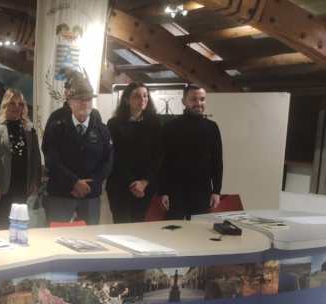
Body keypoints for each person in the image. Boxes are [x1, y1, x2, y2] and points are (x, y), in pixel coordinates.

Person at [41, 72, 113, 225]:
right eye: (79, 99)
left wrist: (89, 185)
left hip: (90, 195)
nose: (84, 103)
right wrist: (74, 182)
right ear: (70, 102)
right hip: (61, 193)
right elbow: (51, 159)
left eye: (88, 99)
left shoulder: (102, 130)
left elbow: (108, 161)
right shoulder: (57, 127)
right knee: (57, 241)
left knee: (90, 242)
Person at [158, 84, 223, 219]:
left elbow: (217, 162)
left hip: (202, 192)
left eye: (202, 99)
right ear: (184, 101)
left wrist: (216, 191)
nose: (198, 103)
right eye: (193, 99)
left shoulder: (212, 127)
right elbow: (163, 162)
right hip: (175, 192)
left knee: (198, 235)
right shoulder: (170, 127)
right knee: (173, 235)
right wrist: (163, 192)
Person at [0, 89, 42, 231]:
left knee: (19, 227)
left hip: (22, 187)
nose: (17, 107)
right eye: (12, 103)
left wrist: (35, 181)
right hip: (1, 188)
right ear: (5, 104)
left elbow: (36, 158)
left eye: (21, 104)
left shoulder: (29, 128)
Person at [106, 82, 163, 223]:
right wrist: (132, 183)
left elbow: (158, 156)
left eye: (145, 96)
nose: (142, 100)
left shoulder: (155, 123)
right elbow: (115, 157)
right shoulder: (114, 124)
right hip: (120, 185)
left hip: (145, 187)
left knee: (139, 229)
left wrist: (144, 182)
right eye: (137, 96)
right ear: (127, 100)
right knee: (121, 227)